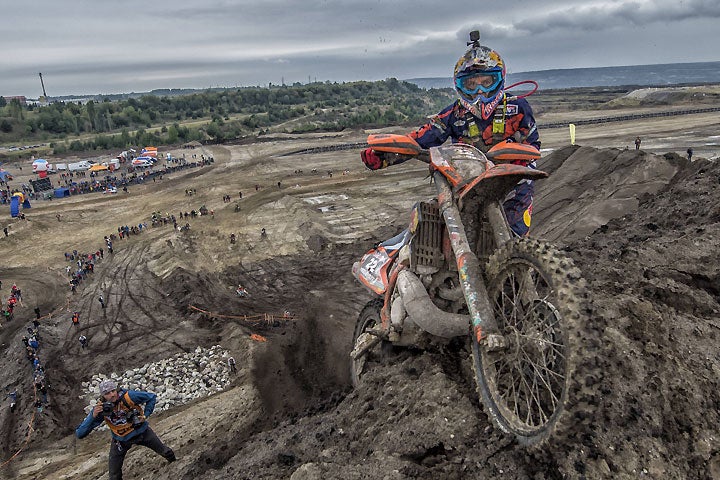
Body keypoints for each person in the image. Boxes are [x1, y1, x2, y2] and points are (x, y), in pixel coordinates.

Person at [361, 31, 540, 236]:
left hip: (510, 182)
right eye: (471, 84)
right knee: (434, 226)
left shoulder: (518, 108)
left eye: (486, 82)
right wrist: (382, 156)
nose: (479, 91)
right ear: (460, 85)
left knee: (516, 239)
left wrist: (514, 157)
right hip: (466, 182)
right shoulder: (453, 114)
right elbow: (421, 139)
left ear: (499, 80)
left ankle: (520, 258)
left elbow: (533, 147)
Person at [76, 380, 176, 479]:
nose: (112, 395)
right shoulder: (101, 409)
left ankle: (176, 466)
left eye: (113, 391)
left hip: (142, 432)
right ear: (103, 396)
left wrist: (145, 415)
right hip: (120, 441)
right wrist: (92, 416)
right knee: (114, 475)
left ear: (116, 390)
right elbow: (80, 433)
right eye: (107, 393)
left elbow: (151, 397)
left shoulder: (129, 396)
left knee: (166, 452)